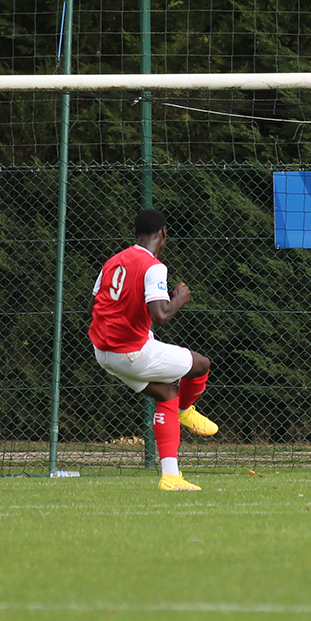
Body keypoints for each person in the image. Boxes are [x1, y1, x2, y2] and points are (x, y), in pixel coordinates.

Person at [89, 208, 219, 491]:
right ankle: (186, 410)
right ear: (163, 233)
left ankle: (171, 477)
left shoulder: (112, 262)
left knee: (167, 392)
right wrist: (179, 299)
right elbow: (160, 314)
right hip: (132, 352)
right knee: (201, 364)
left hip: (103, 352)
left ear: (136, 235)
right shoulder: (154, 267)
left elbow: (93, 307)